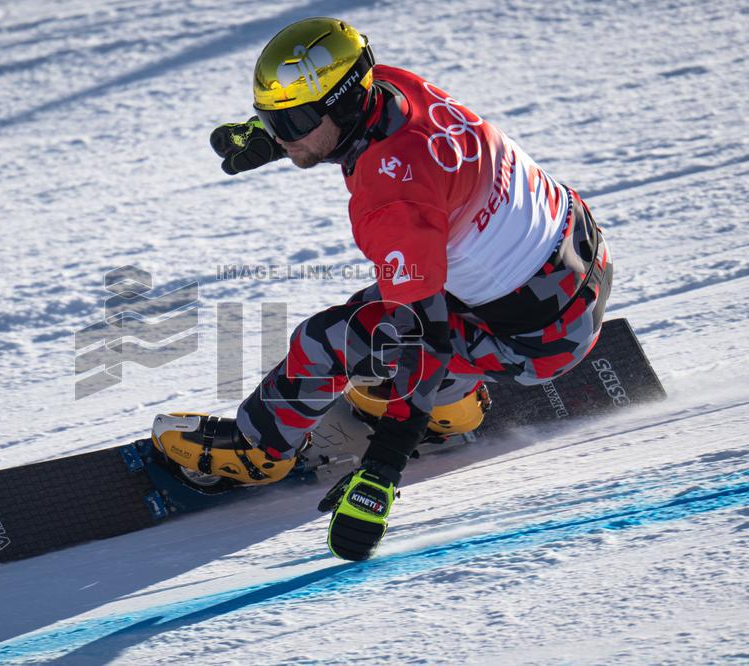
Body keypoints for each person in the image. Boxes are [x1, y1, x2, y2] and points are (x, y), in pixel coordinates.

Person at [154, 17, 611, 561]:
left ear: (344, 105)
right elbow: (347, 133)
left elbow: (424, 342)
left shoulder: (389, 201)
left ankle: (262, 449)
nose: (281, 133)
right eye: (271, 117)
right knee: (399, 295)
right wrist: (276, 139)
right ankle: (449, 404)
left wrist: (381, 472)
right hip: (577, 258)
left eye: (293, 121)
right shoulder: (390, 86)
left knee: (330, 339)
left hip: (538, 341)